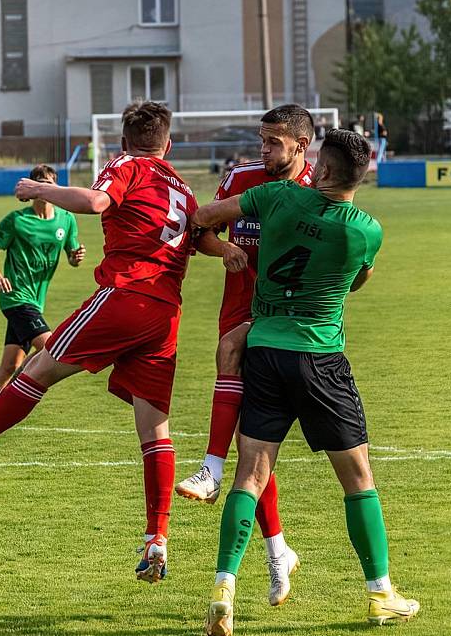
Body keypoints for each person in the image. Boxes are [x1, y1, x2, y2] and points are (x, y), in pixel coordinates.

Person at [0, 101, 201, 584]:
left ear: (122, 142)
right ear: (170, 144)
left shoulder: (126, 164)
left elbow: (97, 203)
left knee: (38, 367)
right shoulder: (181, 186)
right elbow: (197, 236)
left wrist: (39, 188)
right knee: (155, 429)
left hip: (125, 295)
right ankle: (157, 538)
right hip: (165, 315)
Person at [195, 129, 419, 634]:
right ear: (362, 176)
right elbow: (358, 279)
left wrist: (233, 245)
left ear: (318, 168)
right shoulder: (365, 230)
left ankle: (223, 586)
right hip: (320, 358)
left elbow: (206, 217)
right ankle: (381, 593)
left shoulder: (274, 195)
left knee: (249, 477)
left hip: (265, 350)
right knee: (358, 479)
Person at [175, 105, 314, 607]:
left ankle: (212, 469)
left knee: (244, 428)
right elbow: (200, 231)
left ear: (300, 145)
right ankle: (278, 551)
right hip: (236, 304)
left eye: (273, 142)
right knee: (252, 449)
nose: (263, 150)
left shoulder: (318, 191)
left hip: (281, 319)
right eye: (262, 140)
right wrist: (223, 250)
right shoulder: (241, 176)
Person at [0, 164, 86, 432]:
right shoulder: (16, 220)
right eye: (39, 183)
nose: (44, 188)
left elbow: (72, 257)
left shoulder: (67, 220)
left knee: (9, 366)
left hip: (36, 301)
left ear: (55, 186)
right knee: (52, 348)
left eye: (49, 183)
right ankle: (8, 403)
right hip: (16, 299)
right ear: (32, 188)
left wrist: (75, 257)